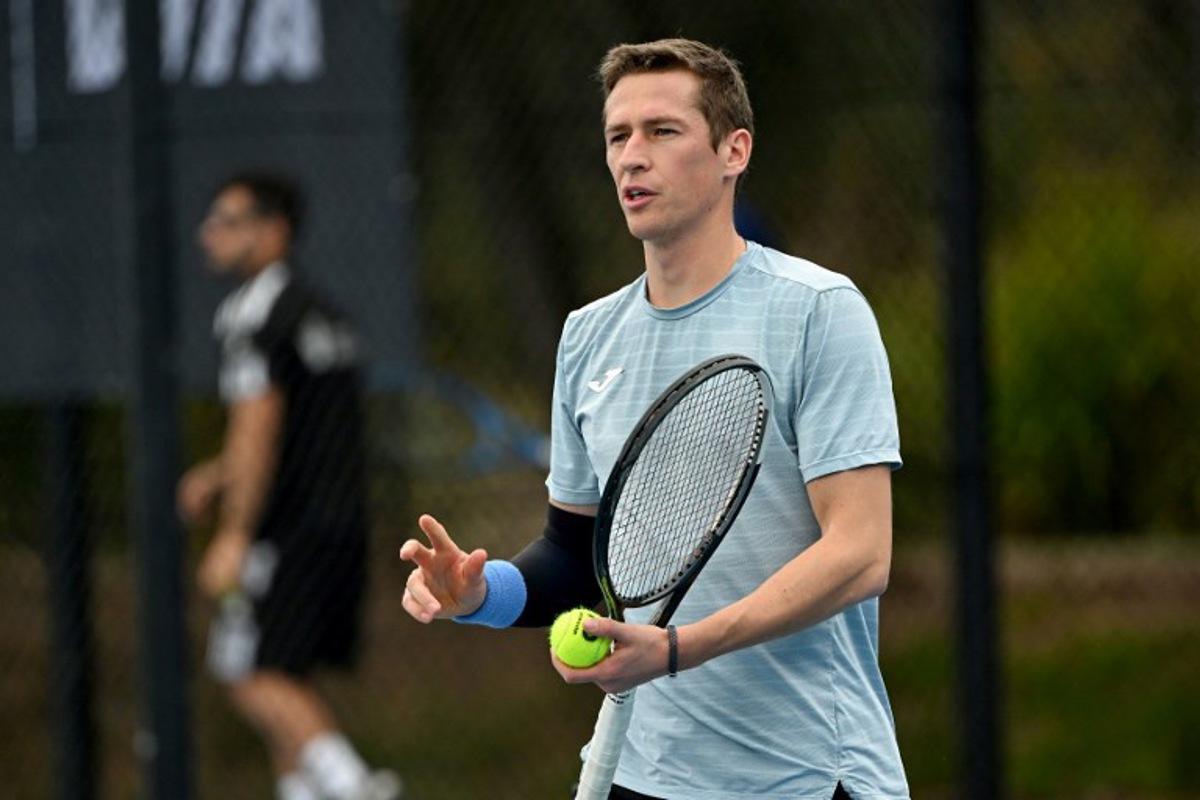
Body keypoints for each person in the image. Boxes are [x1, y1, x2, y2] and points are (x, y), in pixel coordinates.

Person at [399, 39, 909, 800]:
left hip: (811, 775)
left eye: (662, 131)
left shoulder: (818, 312)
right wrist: (477, 596)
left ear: (734, 150)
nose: (632, 157)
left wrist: (677, 649)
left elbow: (861, 554)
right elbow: (575, 560)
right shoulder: (588, 336)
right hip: (646, 775)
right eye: (617, 136)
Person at [178, 173, 402, 800]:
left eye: (227, 220)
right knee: (291, 672)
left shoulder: (256, 314)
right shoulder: (322, 312)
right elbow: (301, 424)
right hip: (341, 521)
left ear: (273, 230)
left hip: (287, 529)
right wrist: (219, 472)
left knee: (249, 671)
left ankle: (356, 788)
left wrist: (233, 535)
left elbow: (258, 426)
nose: (209, 233)